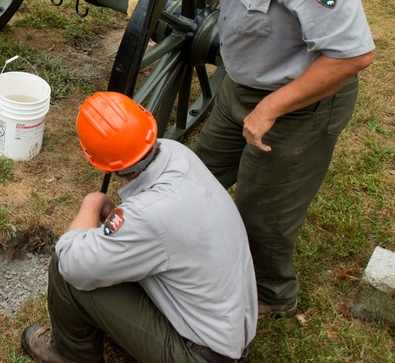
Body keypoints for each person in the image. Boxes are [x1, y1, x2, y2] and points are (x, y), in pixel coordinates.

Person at [159, 0, 375, 318]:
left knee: (262, 212)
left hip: (299, 104)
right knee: (201, 175)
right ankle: (198, 253)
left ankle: (272, 295)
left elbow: (352, 54)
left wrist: (272, 108)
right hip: (241, 86)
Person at [21, 91, 256, 363]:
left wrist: (92, 202)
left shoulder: (146, 216)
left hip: (203, 355)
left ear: (94, 158)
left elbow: (73, 262)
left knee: (65, 269)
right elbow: (156, 226)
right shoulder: (176, 153)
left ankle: (69, 356)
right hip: (229, 325)